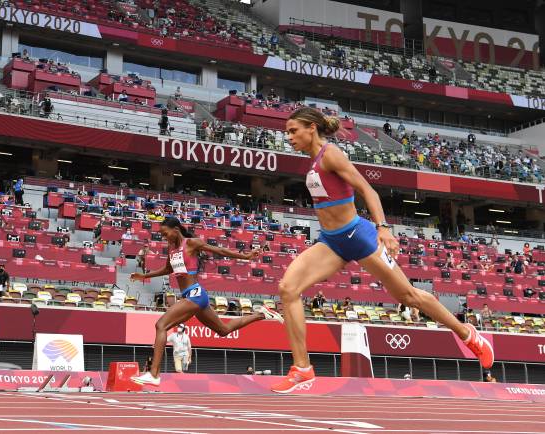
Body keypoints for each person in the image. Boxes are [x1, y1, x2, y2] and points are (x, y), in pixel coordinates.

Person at [272, 108, 493, 394]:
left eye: (293, 131)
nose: (288, 137)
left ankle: (468, 334)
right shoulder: (313, 161)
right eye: (287, 132)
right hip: (331, 241)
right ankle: (302, 368)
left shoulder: (331, 154)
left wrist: (383, 227)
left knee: (408, 296)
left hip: (359, 236)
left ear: (311, 128)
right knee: (288, 288)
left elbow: (368, 190)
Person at [129, 217, 282, 386]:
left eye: (165, 234)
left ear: (176, 230)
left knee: (161, 325)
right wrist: (144, 275)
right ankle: (261, 314)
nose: (164, 238)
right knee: (223, 330)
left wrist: (245, 256)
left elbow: (219, 251)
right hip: (191, 296)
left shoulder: (192, 243)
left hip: (195, 294)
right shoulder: (172, 248)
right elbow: (167, 269)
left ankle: (154, 374)